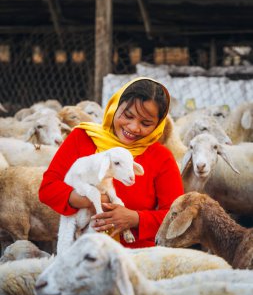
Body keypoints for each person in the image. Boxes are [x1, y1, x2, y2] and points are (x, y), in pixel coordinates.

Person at [39, 77, 184, 248]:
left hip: (135, 257)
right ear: (115, 106)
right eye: (128, 115)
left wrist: (134, 219)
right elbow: (48, 189)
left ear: (158, 125)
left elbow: (176, 216)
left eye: (146, 123)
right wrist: (93, 199)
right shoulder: (82, 138)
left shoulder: (161, 158)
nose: (133, 127)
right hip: (81, 252)